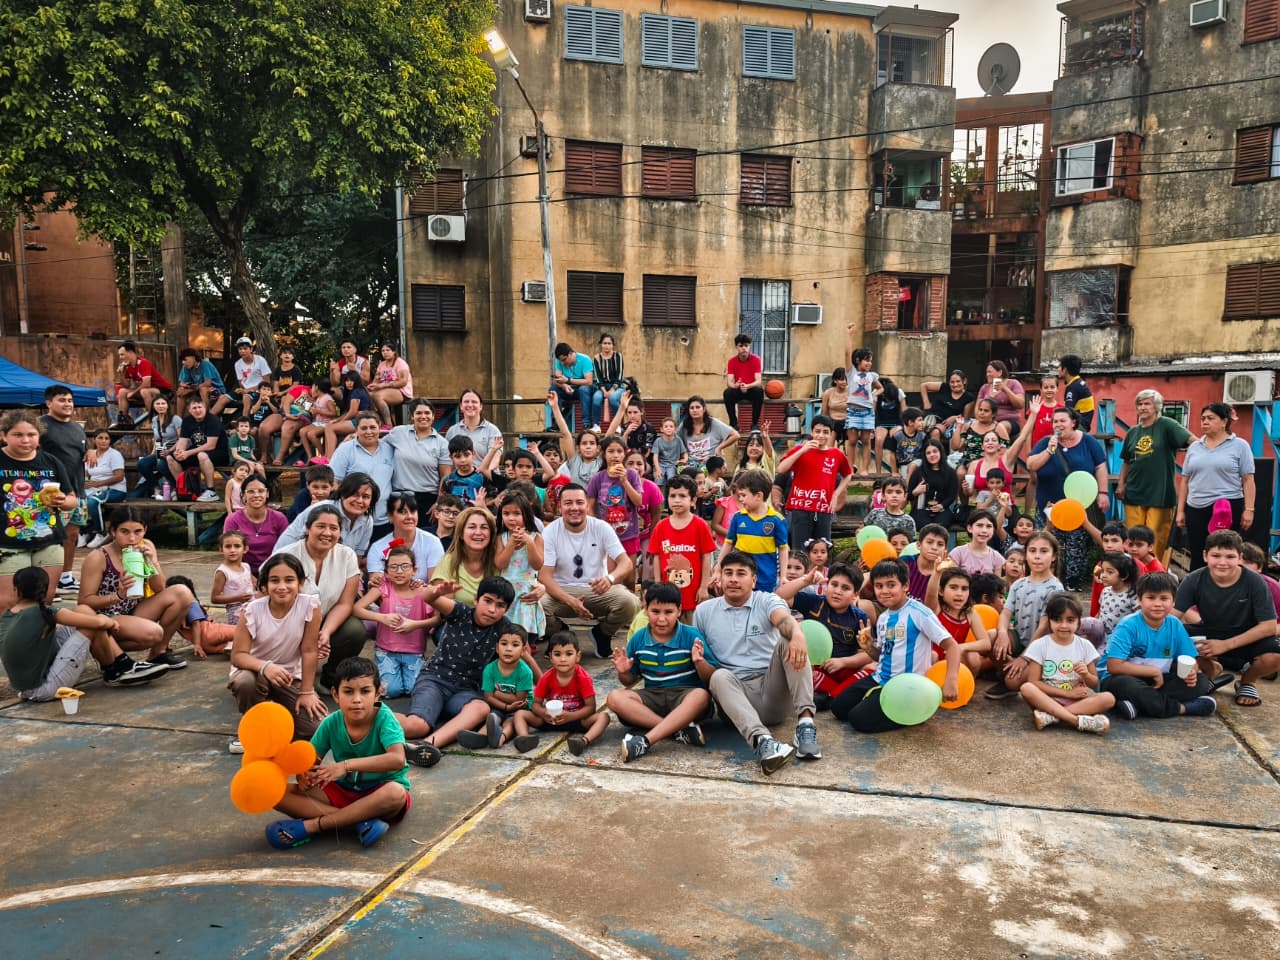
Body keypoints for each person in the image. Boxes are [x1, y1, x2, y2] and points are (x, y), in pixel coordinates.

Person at [265, 656, 410, 850]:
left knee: (396, 793)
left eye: (365, 691)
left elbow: (397, 759)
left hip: (379, 791)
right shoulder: (331, 722)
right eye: (348, 691)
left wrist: (345, 766)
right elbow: (310, 761)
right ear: (335, 694)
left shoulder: (385, 719)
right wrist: (304, 776)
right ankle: (358, 822)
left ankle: (313, 826)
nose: (357, 699)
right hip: (345, 789)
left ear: (377, 693)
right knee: (274, 793)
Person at [694, 551, 818, 773]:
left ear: (753, 580)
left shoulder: (766, 600)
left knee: (788, 640)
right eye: (728, 573)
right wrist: (699, 664)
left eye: (741, 573)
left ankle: (806, 725)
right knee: (719, 675)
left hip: (772, 689)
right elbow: (705, 668)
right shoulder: (703, 612)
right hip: (735, 698)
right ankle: (763, 743)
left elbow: (783, 619)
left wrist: (797, 634)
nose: (733, 579)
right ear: (720, 578)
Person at [830, 558, 960, 733]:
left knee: (858, 720)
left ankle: (915, 712)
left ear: (905, 586)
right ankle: (882, 703)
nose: (884, 591)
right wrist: (869, 647)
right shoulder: (883, 618)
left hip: (907, 686)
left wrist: (951, 680)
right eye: (879, 586)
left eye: (891, 585)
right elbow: (883, 655)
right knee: (838, 708)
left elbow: (952, 646)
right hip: (880, 678)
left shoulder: (919, 612)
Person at [398, 576, 515, 766]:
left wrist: (541, 684)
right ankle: (367, 717)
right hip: (435, 681)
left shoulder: (504, 627)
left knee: (481, 708)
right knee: (417, 726)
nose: (492, 609)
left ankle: (426, 745)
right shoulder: (460, 612)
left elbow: (522, 654)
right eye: (487, 601)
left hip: (465, 691)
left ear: (507, 610)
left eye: (500, 605)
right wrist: (437, 592)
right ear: (476, 600)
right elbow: (427, 597)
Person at [0, 566, 166, 697]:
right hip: (43, 689)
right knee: (92, 626)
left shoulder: (7, 616)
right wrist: (109, 622)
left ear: (16, 590)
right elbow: (99, 622)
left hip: (27, 686)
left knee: (83, 610)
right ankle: (115, 670)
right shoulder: (46, 612)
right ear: (46, 591)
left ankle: (121, 664)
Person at [608, 582, 716, 762]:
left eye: (668, 612)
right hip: (653, 696)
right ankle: (677, 730)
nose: (661, 619)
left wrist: (700, 662)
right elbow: (629, 680)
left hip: (684, 697)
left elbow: (710, 677)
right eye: (655, 611)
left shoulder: (691, 635)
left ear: (679, 611)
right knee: (614, 697)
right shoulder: (638, 639)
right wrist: (624, 672)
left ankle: (645, 741)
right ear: (646, 610)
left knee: (701, 695)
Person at [77, 507, 195, 669]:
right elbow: (84, 602)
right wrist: (117, 595)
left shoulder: (146, 546)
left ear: (145, 530)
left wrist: (151, 562)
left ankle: (158, 653)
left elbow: (160, 588)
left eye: (138, 531)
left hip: (133, 609)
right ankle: (109, 654)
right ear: (113, 531)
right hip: (106, 617)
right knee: (153, 633)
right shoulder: (98, 557)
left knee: (182, 593)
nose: (132, 538)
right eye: (124, 532)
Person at [228, 551, 327, 741]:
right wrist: (265, 667)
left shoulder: (310, 606)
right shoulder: (252, 610)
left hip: (289, 676)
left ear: (300, 583)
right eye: (274, 580)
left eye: (289, 580)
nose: (282, 587)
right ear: (265, 585)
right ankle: (252, 727)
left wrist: (307, 692)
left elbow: (309, 651)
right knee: (245, 683)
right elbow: (238, 656)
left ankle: (276, 708)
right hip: (255, 672)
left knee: (316, 727)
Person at [1175, 530, 1280, 708]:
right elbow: (1172, 617)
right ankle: (1211, 669)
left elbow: (1269, 626)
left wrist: (1225, 645)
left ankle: (1247, 682)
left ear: (1240, 558)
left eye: (1230, 556)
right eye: (1216, 556)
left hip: (1245, 635)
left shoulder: (1255, 582)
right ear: (1205, 556)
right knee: (1173, 639)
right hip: (1209, 631)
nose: (1222, 562)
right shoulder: (1194, 579)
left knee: (1275, 655)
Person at [537, 483, 639, 657]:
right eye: (568, 503)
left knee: (631, 603)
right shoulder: (550, 531)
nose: (574, 508)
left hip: (596, 589)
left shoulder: (601, 527)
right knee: (536, 606)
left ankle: (602, 633)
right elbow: (544, 577)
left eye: (579, 502)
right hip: (561, 591)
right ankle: (559, 633)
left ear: (587, 505)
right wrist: (571, 601)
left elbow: (626, 563)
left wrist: (610, 579)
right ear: (560, 507)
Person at [275, 504, 367, 694]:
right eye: (320, 526)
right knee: (285, 689)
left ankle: (331, 678)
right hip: (288, 622)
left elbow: (345, 604)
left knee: (354, 630)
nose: (327, 533)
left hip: (326, 618)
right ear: (307, 529)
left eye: (334, 528)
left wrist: (325, 632)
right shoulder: (286, 556)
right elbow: (271, 602)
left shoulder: (347, 555)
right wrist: (308, 634)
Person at [1102, 572, 1219, 719]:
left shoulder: (1174, 624)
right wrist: (1152, 671)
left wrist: (1191, 672)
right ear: (1139, 600)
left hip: (1159, 681)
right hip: (1125, 678)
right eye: (1151, 598)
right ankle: (1183, 708)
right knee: (1126, 685)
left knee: (1201, 682)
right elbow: (1114, 666)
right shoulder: (1128, 625)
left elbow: (1190, 659)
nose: (1157, 604)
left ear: (1173, 602)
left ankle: (1138, 704)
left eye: (1164, 598)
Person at [0, 410, 80, 613]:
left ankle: (39, 634)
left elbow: (72, 499)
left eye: (31, 435)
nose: (25, 440)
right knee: (7, 602)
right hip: (7, 544)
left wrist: (63, 501)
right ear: (4, 436)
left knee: (45, 599)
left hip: (49, 541)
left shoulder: (51, 462)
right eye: (18, 435)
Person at [1026, 408, 1108, 590]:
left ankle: (1073, 580)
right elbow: (1031, 465)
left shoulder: (1088, 442)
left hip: (1078, 506)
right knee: (1047, 542)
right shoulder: (1046, 442)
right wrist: (1049, 451)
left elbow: (1101, 467)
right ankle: (1046, 577)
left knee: (1077, 544)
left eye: (1062, 421)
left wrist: (1103, 493)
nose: (1058, 425)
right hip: (1049, 505)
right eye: (1055, 421)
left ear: (1073, 422)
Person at [776, 562, 875, 708]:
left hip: (843, 668)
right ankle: (843, 693)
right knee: (802, 670)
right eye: (834, 585)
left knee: (873, 667)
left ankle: (831, 696)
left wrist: (843, 662)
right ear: (827, 585)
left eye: (845, 588)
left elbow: (868, 654)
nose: (838, 591)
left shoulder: (860, 617)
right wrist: (805, 581)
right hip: (815, 668)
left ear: (855, 594)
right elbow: (780, 596)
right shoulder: (814, 602)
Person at [1018, 592, 1114, 734]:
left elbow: (1094, 683)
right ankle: (1075, 721)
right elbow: (1034, 682)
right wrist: (1068, 694)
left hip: (1078, 701)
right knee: (1027, 688)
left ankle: (1051, 717)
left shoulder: (1085, 645)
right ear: (1049, 621)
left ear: (1078, 621)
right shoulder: (1039, 645)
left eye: (1070, 620)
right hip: (1047, 700)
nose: (1063, 625)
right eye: (1057, 620)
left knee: (1108, 698)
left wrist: (1086, 675)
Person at [1176, 403, 1254, 570]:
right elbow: (1185, 480)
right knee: (1198, 553)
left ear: (1224, 421)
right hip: (1195, 506)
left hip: (1227, 506)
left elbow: (1248, 479)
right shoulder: (1195, 447)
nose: (1205, 422)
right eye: (1203, 418)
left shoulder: (1240, 445)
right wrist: (1181, 510)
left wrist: (1249, 509)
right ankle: (1198, 584)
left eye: (1210, 418)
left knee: (1224, 550)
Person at [355, 545, 437, 698]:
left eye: (405, 566)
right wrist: (382, 617)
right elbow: (357, 609)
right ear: (386, 572)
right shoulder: (383, 588)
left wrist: (415, 625)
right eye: (393, 567)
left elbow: (437, 619)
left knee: (414, 690)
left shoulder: (422, 591)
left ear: (414, 570)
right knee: (390, 690)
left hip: (414, 650)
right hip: (386, 650)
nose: (399, 571)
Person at [988, 531, 1063, 699]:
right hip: (1020, 639)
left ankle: (1031, 676)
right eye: (1032, 550)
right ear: (1026, 554)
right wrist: (1002, 634)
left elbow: (1044, 627)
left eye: (1044, 551)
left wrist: (1025, 658)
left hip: (1042, 647)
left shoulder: (1055, 588)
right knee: (991, 636)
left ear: (1053, 556)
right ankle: (1004, 672)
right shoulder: (1019, 584)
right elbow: (1006, 613)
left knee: (1013, 683)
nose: (1037, 556)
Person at [1119, 390, 1192, 560]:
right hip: (1134, 492)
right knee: (1134, 537)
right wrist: (1121, 484)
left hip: (1160, 493)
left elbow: (1193, 441)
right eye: (1140, 404)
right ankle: (1135, 570)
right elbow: (1126, 461)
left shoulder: (1167, 425)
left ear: (1157, 407)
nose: (1143, 407)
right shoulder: (1132, 432)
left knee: (1156, 539)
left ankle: (1156, 572)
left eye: (1147, 404)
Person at [512, 630, 611, 754]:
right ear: (550, 657)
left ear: (578, 656)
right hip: (550, 719)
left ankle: (583, 741)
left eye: (569, 654)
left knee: (603, 717)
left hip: (577, 720)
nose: (563, 659)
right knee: (520, 714)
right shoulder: (546, 678)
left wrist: (571, 716)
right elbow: (535, 704)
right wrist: (544, 713)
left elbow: (590, 708)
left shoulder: (583, 678)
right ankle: (524, 739)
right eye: (557, 654)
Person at [38, 386, 89, 591]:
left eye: (69, 400)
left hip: (77, 489)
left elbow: (82, 451)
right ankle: (42, 581)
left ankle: (65, 577)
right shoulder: (40, 425)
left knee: (72, 534)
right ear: (49, 403)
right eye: (62, 400)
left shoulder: (77, 427)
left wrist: (91, 452)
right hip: (52, 491)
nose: (67, 404)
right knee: (47, 536)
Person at [775, 415, 853, 549]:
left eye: (825, 432)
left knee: (822, 549)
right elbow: (781, 469)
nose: (821, 435)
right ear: (812, 432)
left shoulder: (837, 454)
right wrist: (803, 450)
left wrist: (836, 494)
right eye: (817, 431)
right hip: (801, 508)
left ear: (831, 434)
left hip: (824, 509)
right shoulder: (799, 450)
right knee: (800, 549)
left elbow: (848, 474)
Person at [646, 474, 715, 617]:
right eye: (672, 496)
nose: (677, 500)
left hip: (693, 595)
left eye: (682, 496)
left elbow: (706, 557)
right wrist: (658, 585)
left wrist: (704, 587)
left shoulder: (700, 525)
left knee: (691, 627)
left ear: (693, 500)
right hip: (667, 597)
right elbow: (657, 557)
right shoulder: (661, 526)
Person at [716, 469, 789, 593]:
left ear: (758, 496)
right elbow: (728, 544)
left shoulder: (777, 520)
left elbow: (783, 549)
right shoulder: (738, 517)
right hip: (740, 578)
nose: (741, 499)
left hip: (765, 579)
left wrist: (783, 576)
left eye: (744, 495)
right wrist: (718, 569)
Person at [276, 473, 378, 559]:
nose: (360, 501)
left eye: (366, 497)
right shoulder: (324, 510)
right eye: (355, 494)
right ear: (343, 494)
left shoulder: (367, 520)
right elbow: (309, 551)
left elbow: (356, 557)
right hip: (289, 561)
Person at [328, 412, 396, 539]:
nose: (369, 432)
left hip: (383, 520)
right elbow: (334, 482)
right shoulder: (345, 450)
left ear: (379, 428)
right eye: (364, 428)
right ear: (356, 430)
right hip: (353, 520)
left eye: (373, 427)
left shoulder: (389, 449)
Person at [494, 493, 546, 661]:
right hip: (507, 592)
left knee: (523, 635)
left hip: (526, 593)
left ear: (526, 514)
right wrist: (510, 544)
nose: (511, 518)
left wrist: (529, 543)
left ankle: (526, 659)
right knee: (506, 632)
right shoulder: (501, 538)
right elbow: (500, 564)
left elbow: (537, 564)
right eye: (506, 513)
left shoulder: (536, 537)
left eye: (517, 513)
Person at [384, 399, 452, 518]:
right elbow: (377, 445)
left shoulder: (442, 444)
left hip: (427, 499)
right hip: (399, 496)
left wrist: (439, 502)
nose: (423, 416)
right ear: (412, 416)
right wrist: (354, 437)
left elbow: (445, 477)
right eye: (419, 413)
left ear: (433, 416)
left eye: (427, 413)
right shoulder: (398, 433)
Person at [469, 625, 535, 749]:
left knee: (511, 721)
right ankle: (480, 737)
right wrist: (505, 706)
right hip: (499, 706)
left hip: (520, 708)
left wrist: (497, 694)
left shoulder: (525, 671)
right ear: (497, 648)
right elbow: (488, 696)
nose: (508, 649)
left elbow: (519, 699)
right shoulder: (489, 669)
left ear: (523, 650)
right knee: (493, 716)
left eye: (515, 645)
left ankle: (500, 738)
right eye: (504, 644)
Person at [367, 493, 444, 587]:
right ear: (390, 517)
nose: (409, 517)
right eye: (402, 512)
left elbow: (436, 586)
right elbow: (377, 586)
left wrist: (421, 588)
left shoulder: (432, 542)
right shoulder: (377, 548)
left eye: (413, 511)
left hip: (424, 594)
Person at [432, 506, 502, 606]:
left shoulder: (500, 561)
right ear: (461, 533)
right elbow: (443, 608)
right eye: (472, 527)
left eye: (484, 527)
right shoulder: (449, 561)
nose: (478, 532)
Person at [222, 475, 289, 576]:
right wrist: (250, 579)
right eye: (251, 491)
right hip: (241, 573)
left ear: (267, 493)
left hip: (274, 572)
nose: (256, 495)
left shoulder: (279, 518)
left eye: (261, 491)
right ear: (243, 495)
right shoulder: (233, 520)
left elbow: (287, 550)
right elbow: (228, 554)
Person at [165, 397, 228, 503]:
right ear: (189, 410)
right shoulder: (187, 421)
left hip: (219, 453)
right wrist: (179, 451)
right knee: (170, 458)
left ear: (205, 408)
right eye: (194, 408)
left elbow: (211, 445)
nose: (198, 410)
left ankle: (211, 491)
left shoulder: (213, 420)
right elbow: (183, 440)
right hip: (198, 452)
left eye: (200, 407)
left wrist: (187, 453)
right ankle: (184, 489)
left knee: (202, 455)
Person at [112, 341, 172, 427]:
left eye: (122, 354)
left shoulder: (143, 362)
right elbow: (127, 385)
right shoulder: (127, 366)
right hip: (145, 390)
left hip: (163, 390)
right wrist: (121, 374)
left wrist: (133, 393)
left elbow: (147, 383)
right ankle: (123, 420)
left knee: (144, 391)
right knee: (122, 391)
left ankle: (153, 420)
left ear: (130, 353)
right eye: (120, 355)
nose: (120, 357)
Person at [133, 395, 182, 500]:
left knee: (161, 465)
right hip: (161, 450)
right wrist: (152, 454)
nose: (161, 406)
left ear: (167, 405)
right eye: (158, 404)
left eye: (163, 403)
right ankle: (156, 488)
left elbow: (182, 439)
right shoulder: (155, 420)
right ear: (153, 406)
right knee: (142, 464)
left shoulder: (175, 419)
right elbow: (157, 439)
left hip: (174, 451)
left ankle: (175, 487)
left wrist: (169, 451)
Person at [677, 395, 739, 473]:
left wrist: (720, 448)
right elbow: (675, 440)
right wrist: (683, 457)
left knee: (704, 471)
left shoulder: (714, 422)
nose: (695, 410)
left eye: (697, 407)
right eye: (691, 408)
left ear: (704, 409)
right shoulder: (684, 425)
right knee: (680, 470)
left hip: (710, 462)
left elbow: (735, 435)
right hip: (691, 462)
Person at [908, 439, 959, 529]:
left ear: (940, 452)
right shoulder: (919, 472)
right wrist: (915, 492)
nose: (932, 455)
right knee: (925, 525)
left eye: (935, 451)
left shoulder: (950, 472)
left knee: (940, 525)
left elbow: (952, 495)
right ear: (925, 456)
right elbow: (909, 496)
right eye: (928, 453)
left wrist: (941, 505)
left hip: (942, 508)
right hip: (921, 508)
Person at [844, 345, 879, 476]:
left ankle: (865, 469)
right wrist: (849, 335)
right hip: (853, 411)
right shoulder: (851, 373)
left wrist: (874, 394)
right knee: (852, 441)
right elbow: (847, 353)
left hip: (867, 412)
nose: (870, 363)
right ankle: (850, 469)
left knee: (866, 441)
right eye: (867, 360)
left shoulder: (872, 376)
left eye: (871, 361)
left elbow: (880, 388)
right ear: (858, 360)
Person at [322, 371, 373, 458]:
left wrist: (341, 421)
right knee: (329, 426)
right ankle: (326, 456)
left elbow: (352, 412)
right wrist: (337, 420)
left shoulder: (356, 392)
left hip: (360, 421)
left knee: (330, 428)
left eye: (351, 381)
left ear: (356, 381)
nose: (349, 383)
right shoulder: (356, 391)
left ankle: (329, 458)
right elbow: (349, 412)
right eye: (347, 381)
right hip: (359, 419)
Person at [722, 333, 765, 432]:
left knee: (759, 391)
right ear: (736, 347)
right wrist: (736, 385)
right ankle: (734, 424)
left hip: (751, 389)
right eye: (741, 346)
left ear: (750, 346)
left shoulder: (756, 359)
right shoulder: (732, 361)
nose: (744, 348)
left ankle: (755, 424)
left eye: (746, 345)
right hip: (738, 389)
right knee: (727, 393)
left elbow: (758, 381)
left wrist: (747, 386)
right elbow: (729, 383)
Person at [212, 530, 256, 626]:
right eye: (228, 546)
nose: (232, 550)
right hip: (235, 611)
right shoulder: (222, 572)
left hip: (252, 606)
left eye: (237, 546)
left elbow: (254, 583)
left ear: (245, 549)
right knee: (240, 633)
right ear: (221, 549)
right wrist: (238, 598)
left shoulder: (246, 566)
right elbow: (214, 598)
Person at [445, 389, 503, 460]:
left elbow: (495, 459)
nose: (470, 405)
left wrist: (482, 468)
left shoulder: (493, 430)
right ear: (461, 406)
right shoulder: (452, 431)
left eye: (474, 402)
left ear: (481, 406)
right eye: (466, 402)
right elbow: (447, 459)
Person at [175, 347, 232, 418]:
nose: (183, 362)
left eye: (185, 360)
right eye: (182, 360)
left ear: (193, 357)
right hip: (197, 389)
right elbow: (181, 382)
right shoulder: (186, 367)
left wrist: (189, 390)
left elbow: (208, 383)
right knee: (181, 391)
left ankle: (205, 416)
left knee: (203, 389)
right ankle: (179, 420)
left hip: (215, 390)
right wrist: (184, 386)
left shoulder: (205, 364)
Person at [368, 341, 414, 427]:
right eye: (383, 351)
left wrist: (384, 385)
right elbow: (376, 380)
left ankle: (388, 425)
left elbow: (403, 382)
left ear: (394, 352)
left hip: (402, 391)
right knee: (368, 394)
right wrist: (372, 386)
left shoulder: (400, 363)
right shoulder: (382, 365)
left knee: (378, 396)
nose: (385, 352)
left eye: (388, 350)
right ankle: (378, 422)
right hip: (386, 390)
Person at [551, 341, 595, 431]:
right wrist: (564, 386)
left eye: (564, 360)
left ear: (571, 354)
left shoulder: (585, 359)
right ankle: (556, 423)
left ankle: (586, 424)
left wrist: (568, 380)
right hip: (568, 388)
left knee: (583, 389)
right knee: (553, 389)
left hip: (583, 388)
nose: (562, 363)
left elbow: (589, 381)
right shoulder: (560, 362)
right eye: (560, 361)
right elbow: (557, 379)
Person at [921, 370, 974, 442]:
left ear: (964, 381)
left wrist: (955, 418)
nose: (955, 384)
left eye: (958, 381)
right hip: (930, 416)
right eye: (952, 382)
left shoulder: (968, 398)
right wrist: (926, 403)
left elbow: (966, 417)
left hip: (944, 423)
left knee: (935, 432)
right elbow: (924, 386)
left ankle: (935, 449)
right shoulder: (945, 387)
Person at [949, 510, 1004, 576]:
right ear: (970, 528)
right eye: (979, 525)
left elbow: (997, 582)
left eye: (989, 526)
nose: (984, 530)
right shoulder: (957, 553)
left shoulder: (996, 557)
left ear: (993, 530)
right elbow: (952, 579)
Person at [862, 476, 916, 542]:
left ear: (905, 496)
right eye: (889, 492)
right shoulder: (874, 514)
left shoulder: (908, 520)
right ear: (883, 495)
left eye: (898, 492)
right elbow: (863, 530)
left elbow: (911, 543)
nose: (894, 495)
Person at [976, 360, 1024, 433]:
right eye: (986, 372)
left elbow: (1020, 404)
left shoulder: (1013, 383)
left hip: (1009, 421)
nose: (987, 374)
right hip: (988, 421)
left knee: (1000, 427)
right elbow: (977, 408)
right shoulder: (984, 388)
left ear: (1000, 372)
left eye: (990, 372)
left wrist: (1005, 389)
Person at [231, 336, 273, 417]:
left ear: (251, 349)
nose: (242, 351)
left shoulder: (260, 360)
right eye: (240, 349)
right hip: (245, 390)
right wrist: (243, 390)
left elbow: (266, 382)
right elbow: (240, 382)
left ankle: (244, 420)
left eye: (245, 348)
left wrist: (249, 390)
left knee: (246, 397)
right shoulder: (237, 364)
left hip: (259, 391)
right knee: (223, 398)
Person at [591, 333, 627, 428]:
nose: (607, 346)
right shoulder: (596, 358)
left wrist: (612, 390)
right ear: (601, 344)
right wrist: (604, 391)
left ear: (612, 345)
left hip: (618, 387)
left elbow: (619, 376)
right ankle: (596, 425)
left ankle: (617, 425)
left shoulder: (618, 356)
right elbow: (598, 377)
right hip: (602, 387)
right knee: (596, 398)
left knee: (613, 398)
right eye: (604, 343)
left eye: (609, 343)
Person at [872, 376, 906, 474]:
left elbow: (904, 411)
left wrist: (905, 427)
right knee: (879, 440)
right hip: (881, 422)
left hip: (896, 422)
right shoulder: (876, 392)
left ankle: (895, 471)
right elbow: (872, 412)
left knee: (896, 438)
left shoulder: (898, 392)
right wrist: (872, 429)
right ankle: (878, 472)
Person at [1057, 355, 1095, 432]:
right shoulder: (1078, 383)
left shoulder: (1073, 388)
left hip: (1080, 425)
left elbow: (1068, 411)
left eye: (1060, 366)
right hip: (1083, 423)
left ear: (1065, 370)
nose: (1058, 369)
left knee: (1057, 430)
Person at [651, 416, 688, 484]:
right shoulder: (658, 441)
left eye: (671, 426)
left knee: (671, 480)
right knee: (658, 479)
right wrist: (658, 469)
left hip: (673, 465)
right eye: (666, 426)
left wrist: (684, 460)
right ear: (662, 429)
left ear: (675, 429)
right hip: (660, 464)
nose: (669, 428)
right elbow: (655, 457)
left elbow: (684, 452)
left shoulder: (678, 440)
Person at [819, 368, 849, 449]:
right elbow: (824, 413)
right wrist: (824, 426)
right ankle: (828, 453)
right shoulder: (828, 393)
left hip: (848, 421)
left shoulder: (851, 392)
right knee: (831, 432)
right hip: (833, 421)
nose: (844, 382)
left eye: (846, 379)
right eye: (842, 380)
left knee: (854, 433)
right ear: (835, 380)